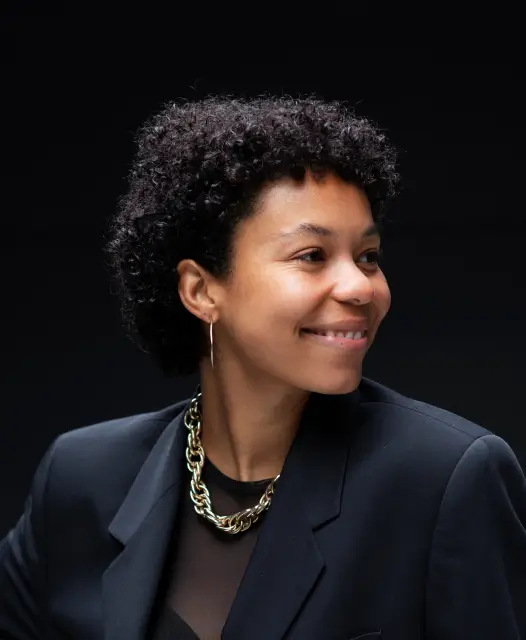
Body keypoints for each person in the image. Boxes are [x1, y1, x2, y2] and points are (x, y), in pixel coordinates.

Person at [0, 95, 524, 640]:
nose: (360, 287)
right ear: (200, 290)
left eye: (367, 256)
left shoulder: (444, 480)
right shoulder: (81, 479)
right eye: (312, 255)